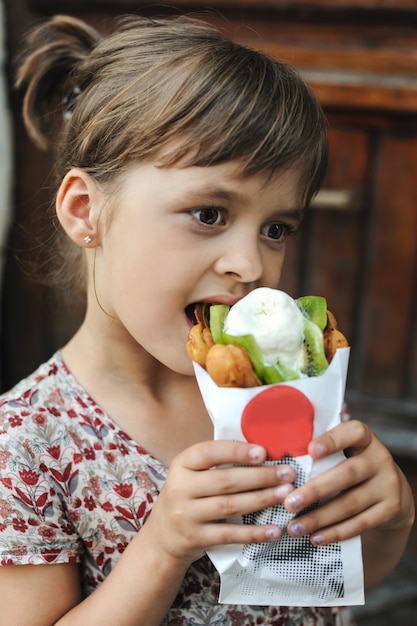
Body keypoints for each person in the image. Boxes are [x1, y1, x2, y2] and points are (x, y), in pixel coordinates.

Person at [0, 13, 414, 626]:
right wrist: (164, 544)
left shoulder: (285, 387)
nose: (249, 265)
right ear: (86, 211)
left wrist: (390, 518)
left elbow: (331, 573)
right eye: (209, 214)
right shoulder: (27, 445)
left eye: (276, 229)